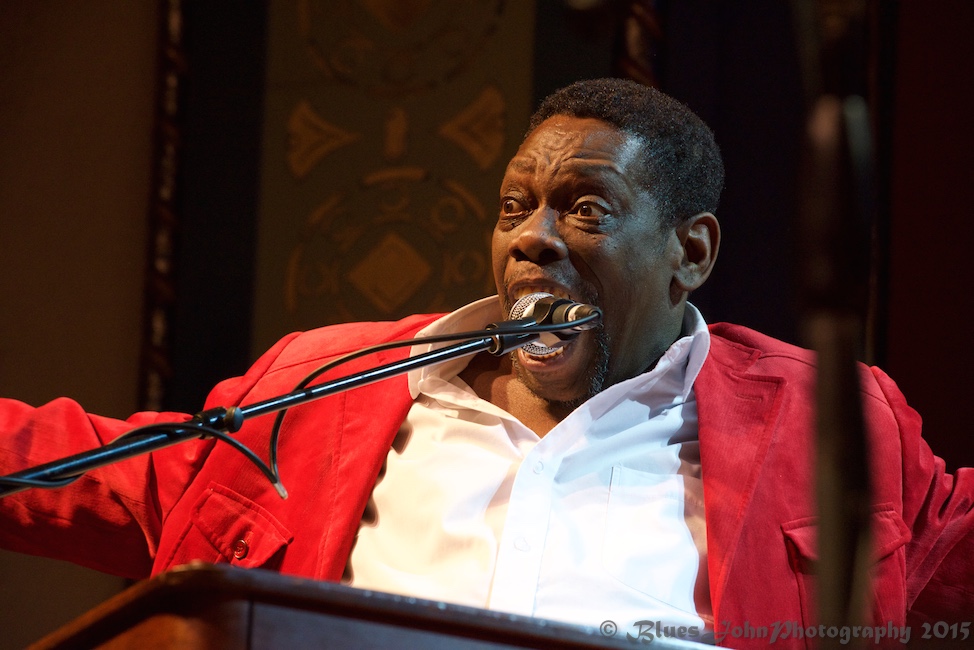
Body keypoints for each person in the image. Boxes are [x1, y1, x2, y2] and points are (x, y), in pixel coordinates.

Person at [1, 78, 971, 644]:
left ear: (691, 253)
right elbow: (85, 466)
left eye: (584, 209)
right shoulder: (326, 389)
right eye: (515, 208)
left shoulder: (824, 423)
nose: (530, 241)